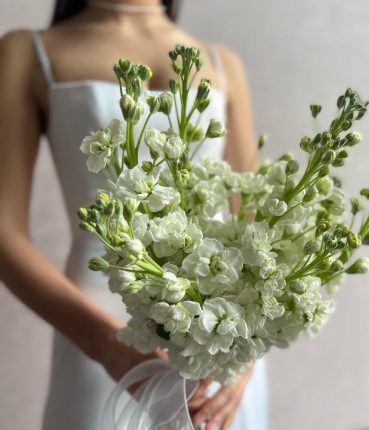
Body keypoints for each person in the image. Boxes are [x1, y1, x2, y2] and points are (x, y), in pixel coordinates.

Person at [0, 1, 268, 429]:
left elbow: (254, 227)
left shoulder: (223, 63)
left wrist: (250, 347)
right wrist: (107, 346)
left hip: (223, 337)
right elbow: (4, 231)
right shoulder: (28, 51)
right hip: (96, 324)